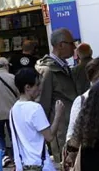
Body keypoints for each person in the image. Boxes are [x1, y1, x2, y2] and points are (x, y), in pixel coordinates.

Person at [36, 28, 89, 159]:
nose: (74, 47)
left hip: (73, 127)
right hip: (61, 133)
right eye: (72, 43)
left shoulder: (63, 66)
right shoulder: (48, 71)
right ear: (61, 45)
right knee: (66, 168)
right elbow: (43, 106)